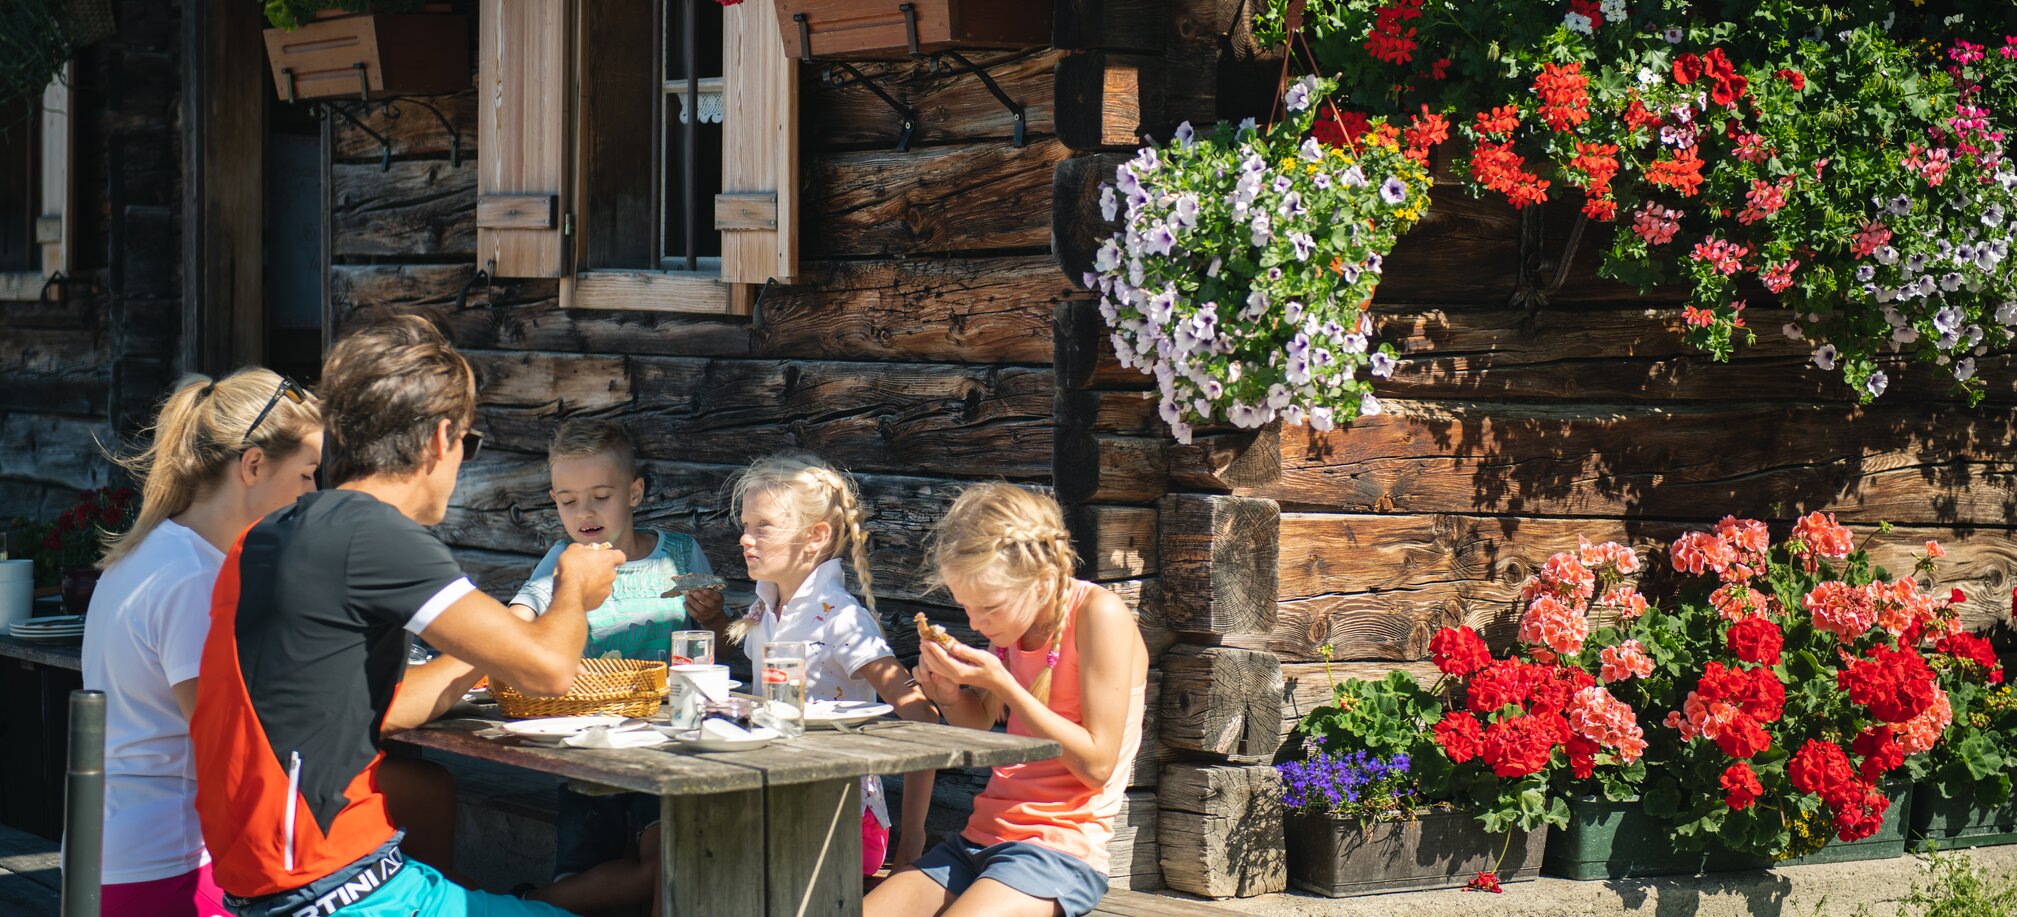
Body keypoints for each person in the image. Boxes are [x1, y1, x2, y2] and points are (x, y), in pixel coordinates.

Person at [190, 315, 624, 917]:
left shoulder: (271, 534)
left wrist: (493, 643)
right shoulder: (373, 533)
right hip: (337, 887)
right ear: (440, 439)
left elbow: (389, 705)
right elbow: (550, 670)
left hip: (271, 883)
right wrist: (572, 586)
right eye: (467, 445)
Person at [531, 453, 939, 917]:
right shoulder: (765, 609)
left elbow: (922, 716)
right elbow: (734, 650)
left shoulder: (841, 618)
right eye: (745, 525)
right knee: (678, 848)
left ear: (816, 538)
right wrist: (715, 620)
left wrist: (913, 840)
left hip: (841, 819)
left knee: (687, 854)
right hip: (774, 798)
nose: (745, 538)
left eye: (763, 526)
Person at [81, 368, 320, 917]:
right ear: (254, 465)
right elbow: (233, 747)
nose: (313, 493)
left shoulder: (154, 552)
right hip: (167, 868)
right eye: (307, 474)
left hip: (115, 855)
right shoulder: (194, 580)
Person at [865, 483, 1149, 917]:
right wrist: (950, 696)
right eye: (967, 608)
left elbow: (1097, 766)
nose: (977, 623)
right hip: (980, 838)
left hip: (1059, 849)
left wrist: (1004, 684)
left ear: (1039, 582)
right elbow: (977, 725)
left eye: (990, 607)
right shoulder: (1014, 628)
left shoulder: (1099, 614)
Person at [507, 417, 724, 891]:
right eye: (568, 501)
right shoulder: (565, 560)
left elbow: (722, 644)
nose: (584, 511)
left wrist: (713, 618)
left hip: (669, 744)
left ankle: (534, 904)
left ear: (634, 492)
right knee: (583, 863)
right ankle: (546, 901)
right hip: (586, 741)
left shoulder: (680, 557)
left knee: (670, 860)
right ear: (554, 501)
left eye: (601, 496)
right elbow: (516, 623)